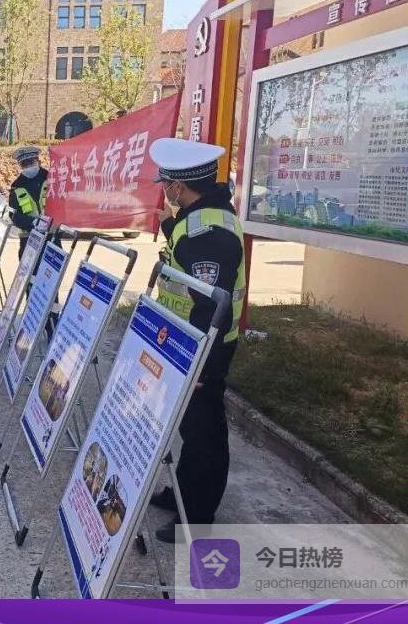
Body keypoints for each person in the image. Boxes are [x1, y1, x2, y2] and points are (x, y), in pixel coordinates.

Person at [145, 137, 246, 544]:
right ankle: (182, 493)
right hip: (187, 338)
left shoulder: (208, 232)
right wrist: (169, 225)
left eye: (166, 184)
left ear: (178, 186)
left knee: (204, 432)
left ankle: (198, 517)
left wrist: (202, 364)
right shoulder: (198, 218)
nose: (165, 191)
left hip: (204, 346)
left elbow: (210, 303)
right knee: (188, 425)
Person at [8, 145, 50, 258]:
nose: (28, 167)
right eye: (24, 164)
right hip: (28, 239)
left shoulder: (51, 179)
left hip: (51, 237)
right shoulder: (17, 186)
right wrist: (32, 222)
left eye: (31, 162)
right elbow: (13, 215)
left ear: (38, 162)